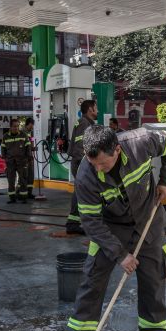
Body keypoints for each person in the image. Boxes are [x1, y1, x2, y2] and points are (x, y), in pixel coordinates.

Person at [60, 125, 166, 331]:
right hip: (111, 229)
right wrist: (120, 254)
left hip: (148, 221)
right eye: (94, 163)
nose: (98, 168)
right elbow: (91, 222)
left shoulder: (142, 141)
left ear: (117, 149)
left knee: (153, 281)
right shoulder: (86, 175)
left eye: (103, 163)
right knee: (92, 280)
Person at [66, 99, 98, 234]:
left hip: (81, 163)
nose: (97, 110)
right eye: (96, 108)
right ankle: (73, 223)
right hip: (80, 163)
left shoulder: (86, 123)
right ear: (90, 109)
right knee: (81, 192)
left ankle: (75, 222)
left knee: (82, 192)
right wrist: (88, 163)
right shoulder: (84, 124)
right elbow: (80, 146)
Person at [1, 118, 31, 204]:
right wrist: (5, 158)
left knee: (23, 180)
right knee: (11, 180)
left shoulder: (23, 135)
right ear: (10, 127)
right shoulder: (5, 136)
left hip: (22, 161)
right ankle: (12, 198)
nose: (16, 128)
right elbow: (3, 148)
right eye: (14, 126)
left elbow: (28, 147)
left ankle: (23, 197)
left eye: (17, 126)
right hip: (10, 162)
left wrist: (28, 157)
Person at [24, 117, 36, 199]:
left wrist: (33, 147)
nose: (32, 127)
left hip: (30, 157)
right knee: (24, 175)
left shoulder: (30, 132)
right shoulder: (22, 132)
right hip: (24, 158)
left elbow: (31, 142)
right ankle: (21, 193)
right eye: (32, 125)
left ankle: (29, 192)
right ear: (28, 124)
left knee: (31, 175)